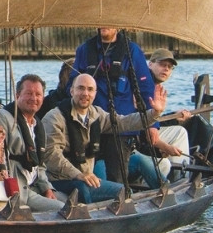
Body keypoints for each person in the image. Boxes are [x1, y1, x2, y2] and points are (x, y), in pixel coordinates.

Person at [42, 74, 166, 204]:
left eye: (90, 89)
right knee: (100, 191)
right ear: (71, 91)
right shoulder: (54, 118)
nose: (85, 93)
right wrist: (78, 174)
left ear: (95, 93)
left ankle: (163, 192)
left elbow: (124, 122)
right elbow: (51, 155)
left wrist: (154, 114)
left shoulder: (96, 114)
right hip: (60, 179)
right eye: (81, 88)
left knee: (123, 190)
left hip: (85, 176)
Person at [71, 28, 159, 188]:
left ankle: (122, 203)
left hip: (120, 127)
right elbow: (71, 85)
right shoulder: (84, 50)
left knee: (117, 178)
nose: (105, 25)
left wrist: (152, 125)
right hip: (90, 126)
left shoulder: (132, 50)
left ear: (117, 26)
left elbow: (145, 88)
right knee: (90, 175)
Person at [0, 74, 64, 212]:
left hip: (34, 185)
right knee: (62, 210)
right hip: (17, 189)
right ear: (17, 95)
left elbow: (40, 164)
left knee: (68, 200)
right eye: (28, 93)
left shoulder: (38, 125)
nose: (34, 98)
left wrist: (47, 188)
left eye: (38, 94)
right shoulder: (4, 117)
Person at [142, 48, 193, 181]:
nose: (166, 69)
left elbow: (152, 119)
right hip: (138, 137)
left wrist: (174, 117)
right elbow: (146, 126)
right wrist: (167, 148)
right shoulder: (146, 85)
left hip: (141, 133)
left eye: (169, 67)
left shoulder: (150, 83)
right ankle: (182, 180)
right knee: (180, 133)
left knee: (177, 130)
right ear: (150, 64)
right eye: (162, 65)